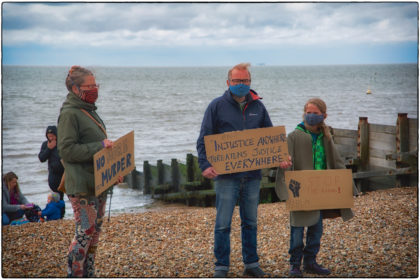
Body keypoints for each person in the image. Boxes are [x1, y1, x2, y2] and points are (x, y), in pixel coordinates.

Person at [197, 63, 291, 278]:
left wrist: (282, 156)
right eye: (237, 81)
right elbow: (203, 139)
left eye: (245, 81)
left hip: (252, 176)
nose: (241, 85)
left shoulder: (258, 106)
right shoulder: (216, 106)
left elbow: (270, 137)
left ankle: (251, 263)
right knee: (223, 224)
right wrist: (205, 165)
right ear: (228, 82)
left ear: (250, 82)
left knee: (250, 222)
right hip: (225, 176)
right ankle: (221, 267)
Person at [275, 98, 357, 277]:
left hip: (321, 191)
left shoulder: (326, 137)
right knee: (297, 230)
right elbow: (285, 164)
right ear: (304, 114)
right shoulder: (293, 136)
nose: (311, 116)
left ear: (324, 115)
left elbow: (337, 162)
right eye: (308, 112)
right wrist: (284, 187)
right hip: (300, 191)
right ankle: (295, 265)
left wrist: (350, 187)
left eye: (315, 113)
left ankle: (310, 262)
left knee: (316, 230)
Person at [58, 65, 122, 277]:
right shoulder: (70, 114)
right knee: (84, 232)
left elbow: (101, 150)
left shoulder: (88, 111)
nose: (95, 89)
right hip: (82, 188)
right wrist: (100, 146)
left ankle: (89, 274)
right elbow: (66, 150)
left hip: (99, 183)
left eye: (96, 85)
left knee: (94, 234)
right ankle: (74, 274)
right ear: (76, 88)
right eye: (90, 86)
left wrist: (114, 172)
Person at [38, 125, 65, 217]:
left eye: (53, 135)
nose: (51, 137)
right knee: (57, 198)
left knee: (72, 195)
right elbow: (41, 158)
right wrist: (49, 148)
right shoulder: (46, 144)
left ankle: (75, 214)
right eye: (49, 136)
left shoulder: (62, 143)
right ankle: (59, 216)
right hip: (54, 175)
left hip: (65, 174)